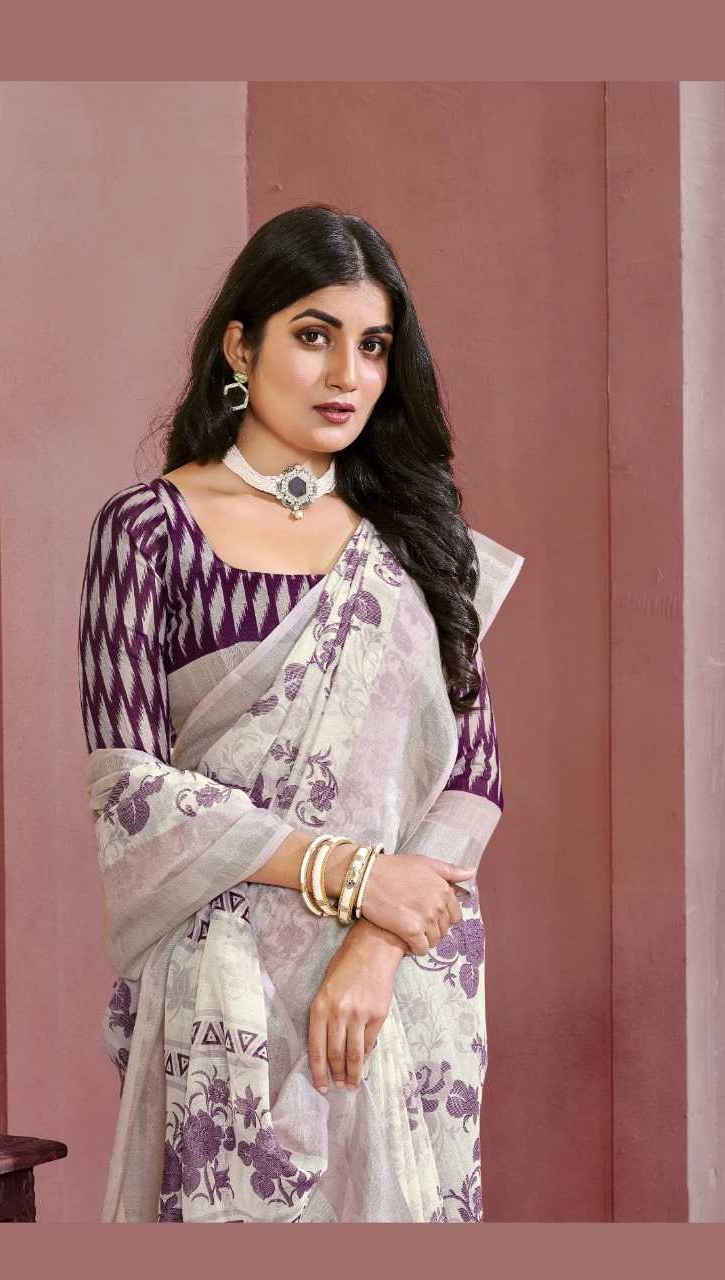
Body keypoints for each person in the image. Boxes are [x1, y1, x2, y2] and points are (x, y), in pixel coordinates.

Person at [77, 204, 525, 1223]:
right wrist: (354, 873)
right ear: (240, 346)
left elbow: (472, 775)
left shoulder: (414, 536)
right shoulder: (150, 532)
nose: (347, 375)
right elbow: (130, 789)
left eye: (372, 346)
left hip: (397, 987)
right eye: (314, 335)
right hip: (226, 988)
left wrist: (375, 944)